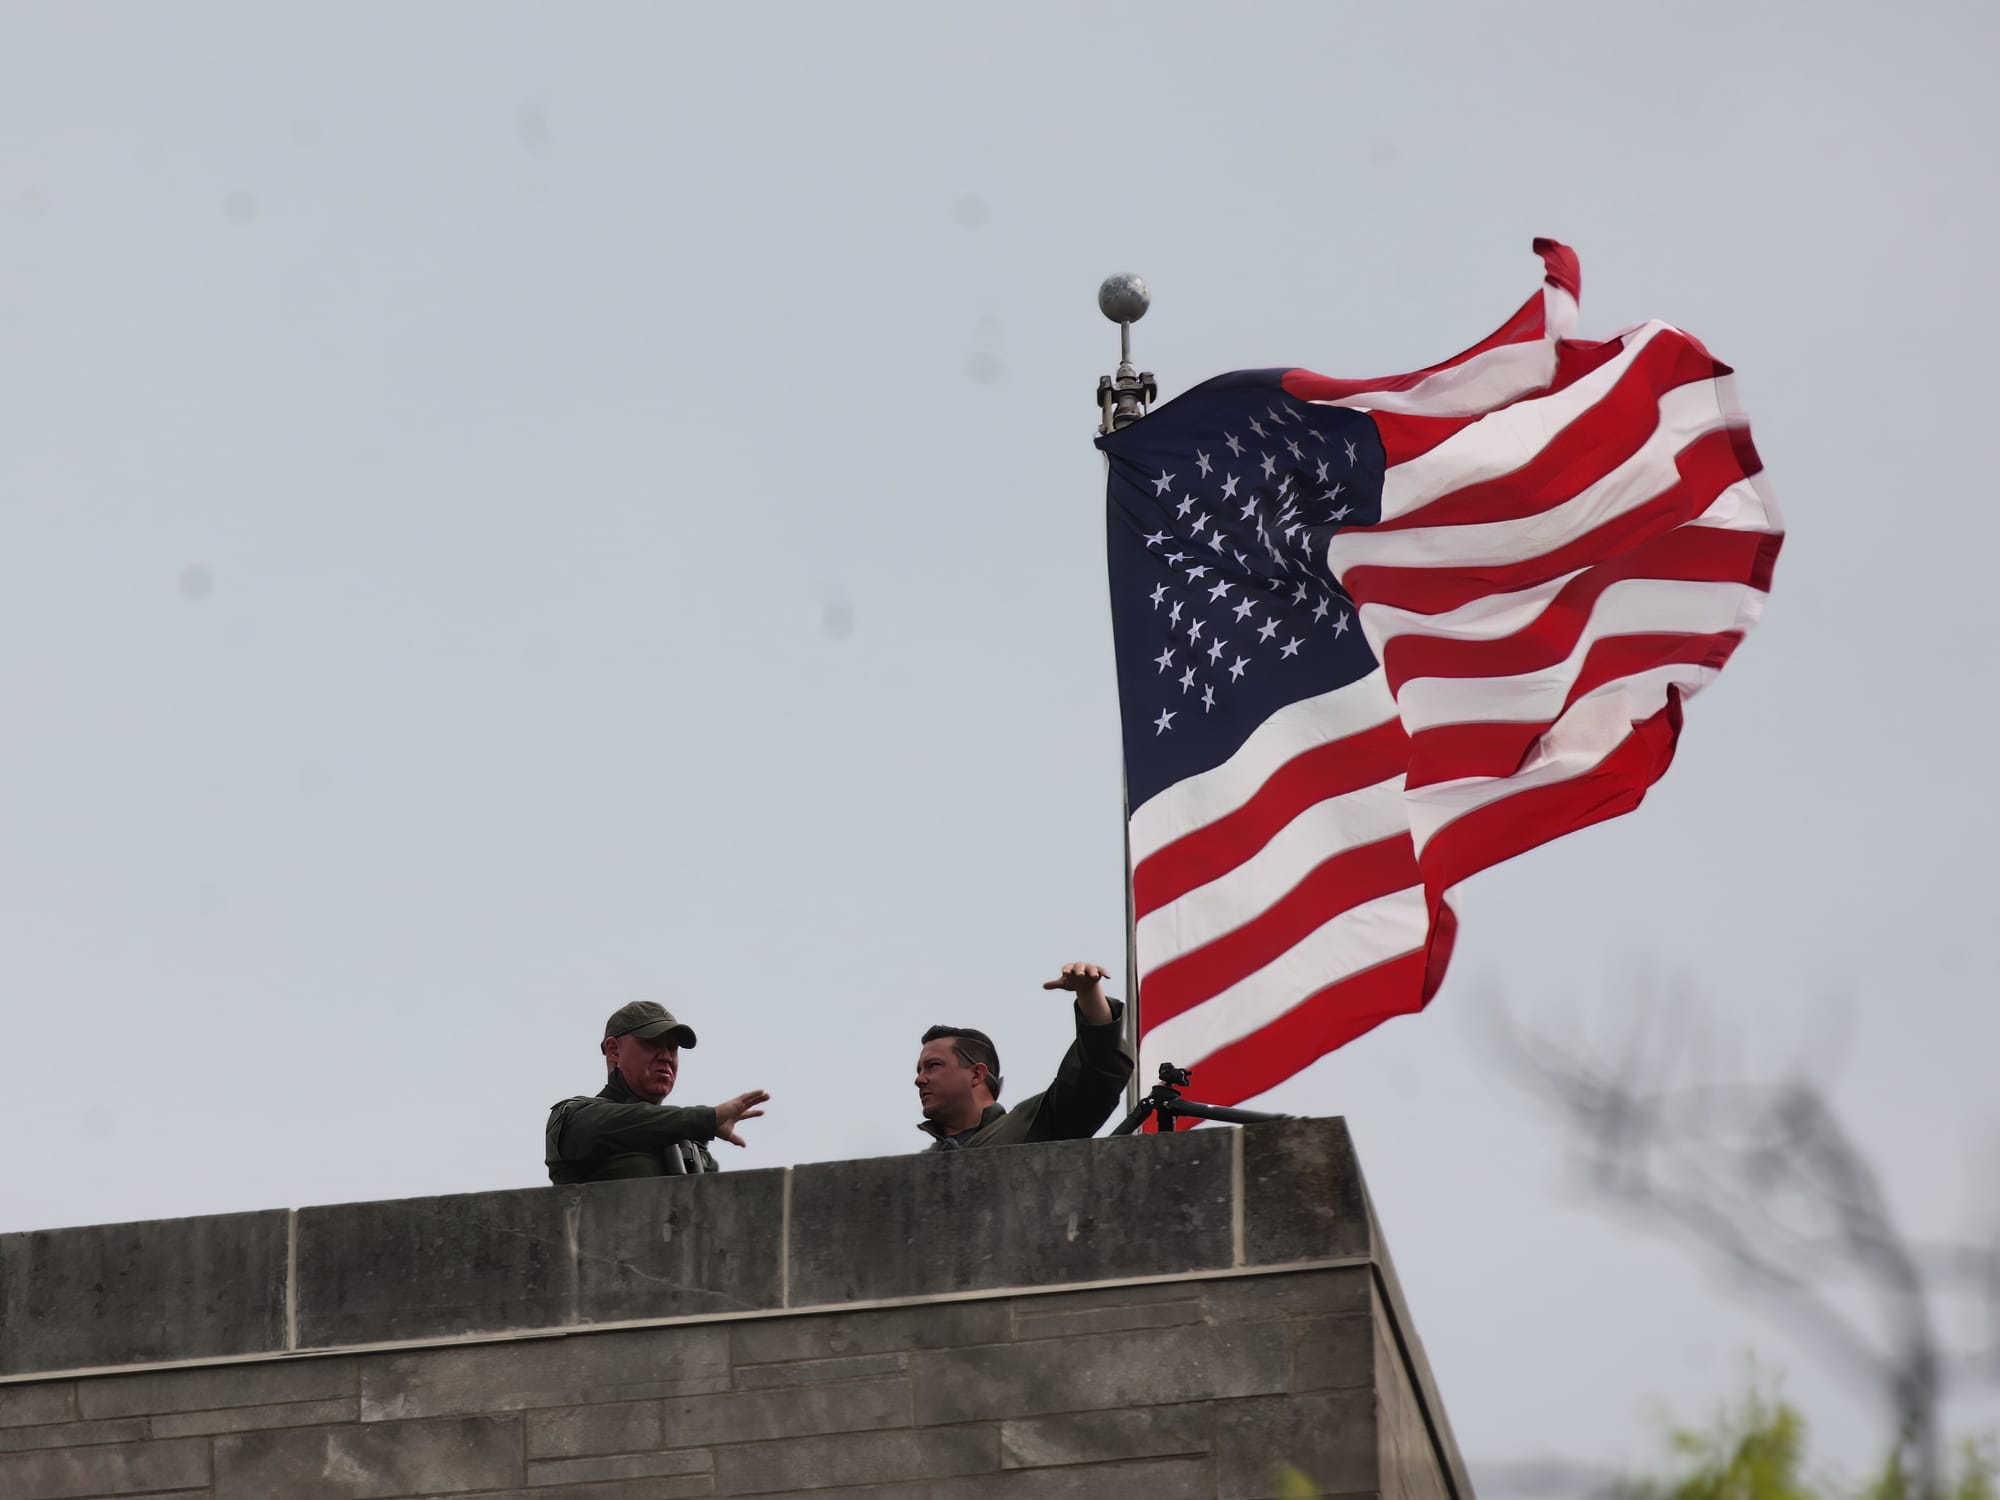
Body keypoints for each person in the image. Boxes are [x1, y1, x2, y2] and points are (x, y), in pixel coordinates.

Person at [914, 961, 1135, 1150]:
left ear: (977, 1074)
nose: (919, 1079)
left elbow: (1094, 1079)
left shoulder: (1032, 1125)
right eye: (920, 1070)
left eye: (933, 1065)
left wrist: (1089, 994)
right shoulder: (915, 1170)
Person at [546, 1001, 770, 1184]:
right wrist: (707, 1119)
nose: (666, 1057)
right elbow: (633, 1122)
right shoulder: (574, 1118)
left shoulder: (691, 1146)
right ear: (614, 1050)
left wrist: (701, 1127)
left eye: (672, 1048)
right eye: (653, 1043)